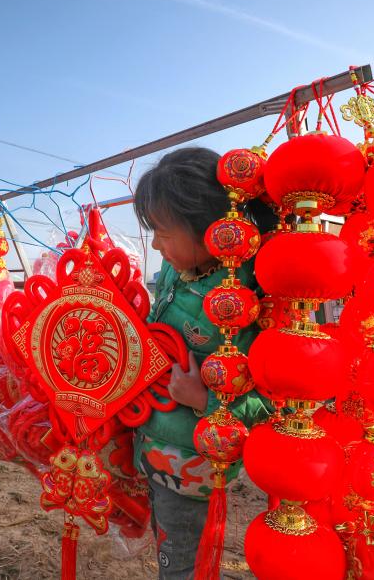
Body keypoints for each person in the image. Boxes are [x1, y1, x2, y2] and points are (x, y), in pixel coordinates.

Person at [133, 147, 274, 579]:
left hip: (192, 465)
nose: (156, 245)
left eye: (162, 232)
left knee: (183, 564)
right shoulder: (176, 270)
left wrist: (205, 399)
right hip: (152, 443)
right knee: (168, 549)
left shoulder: (253, 296)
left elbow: (275, 401)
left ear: (207, 228)